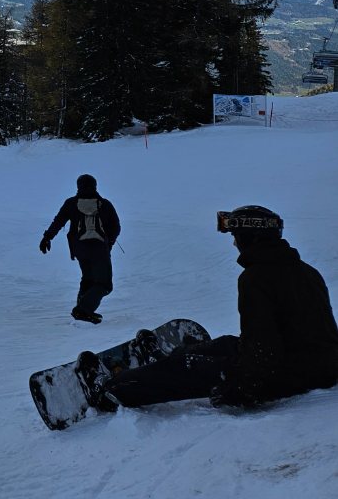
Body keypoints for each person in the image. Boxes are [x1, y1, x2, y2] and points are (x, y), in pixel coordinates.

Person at [90, 206, 338, 412]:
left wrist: (241, 389)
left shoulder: (255, 278)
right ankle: (169, 357)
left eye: (236, 236)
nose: (233, 243)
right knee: (226, 344)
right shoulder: (306, 271)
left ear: (250, 238)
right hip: (317, 365)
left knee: (185, 368)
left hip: (290, 372)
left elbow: (265, 352)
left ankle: (111, 390)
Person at [39, 174, 120, 323]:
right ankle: (83, 310)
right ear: (95, 186)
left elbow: (58, 222)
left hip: (80, 249)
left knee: (88, 279)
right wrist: (109, 244)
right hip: (99, 249)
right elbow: (115, 227)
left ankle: (81, 310)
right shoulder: (105, 204)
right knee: (104, 284)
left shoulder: (71, 203)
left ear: (78, 186)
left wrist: (47, 238)